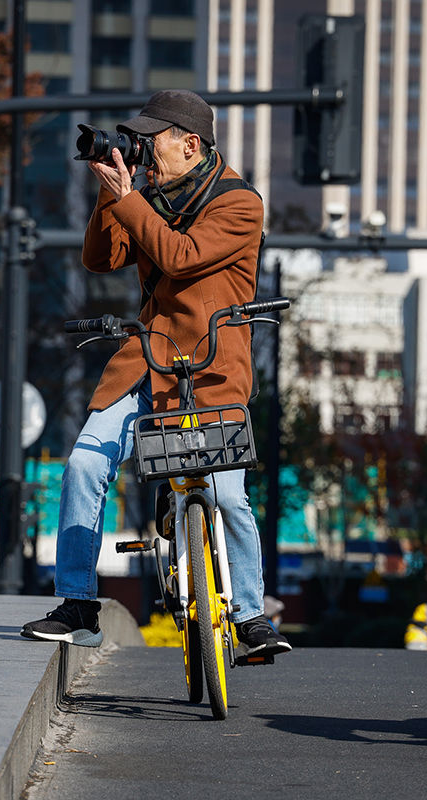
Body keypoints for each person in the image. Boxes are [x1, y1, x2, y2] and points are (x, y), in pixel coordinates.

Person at [19, 90, 290, 661]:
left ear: (191, 144)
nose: (142, 147)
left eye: (153, 138)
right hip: (146, 361)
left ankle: (249, 616)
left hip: (212, 371)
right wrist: (108, 193)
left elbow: (181, 257)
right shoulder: (147, 195)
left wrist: (130, 200)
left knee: (225, 494)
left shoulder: (240, 203)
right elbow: (99, 258)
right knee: (84, 463)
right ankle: (78, 606)